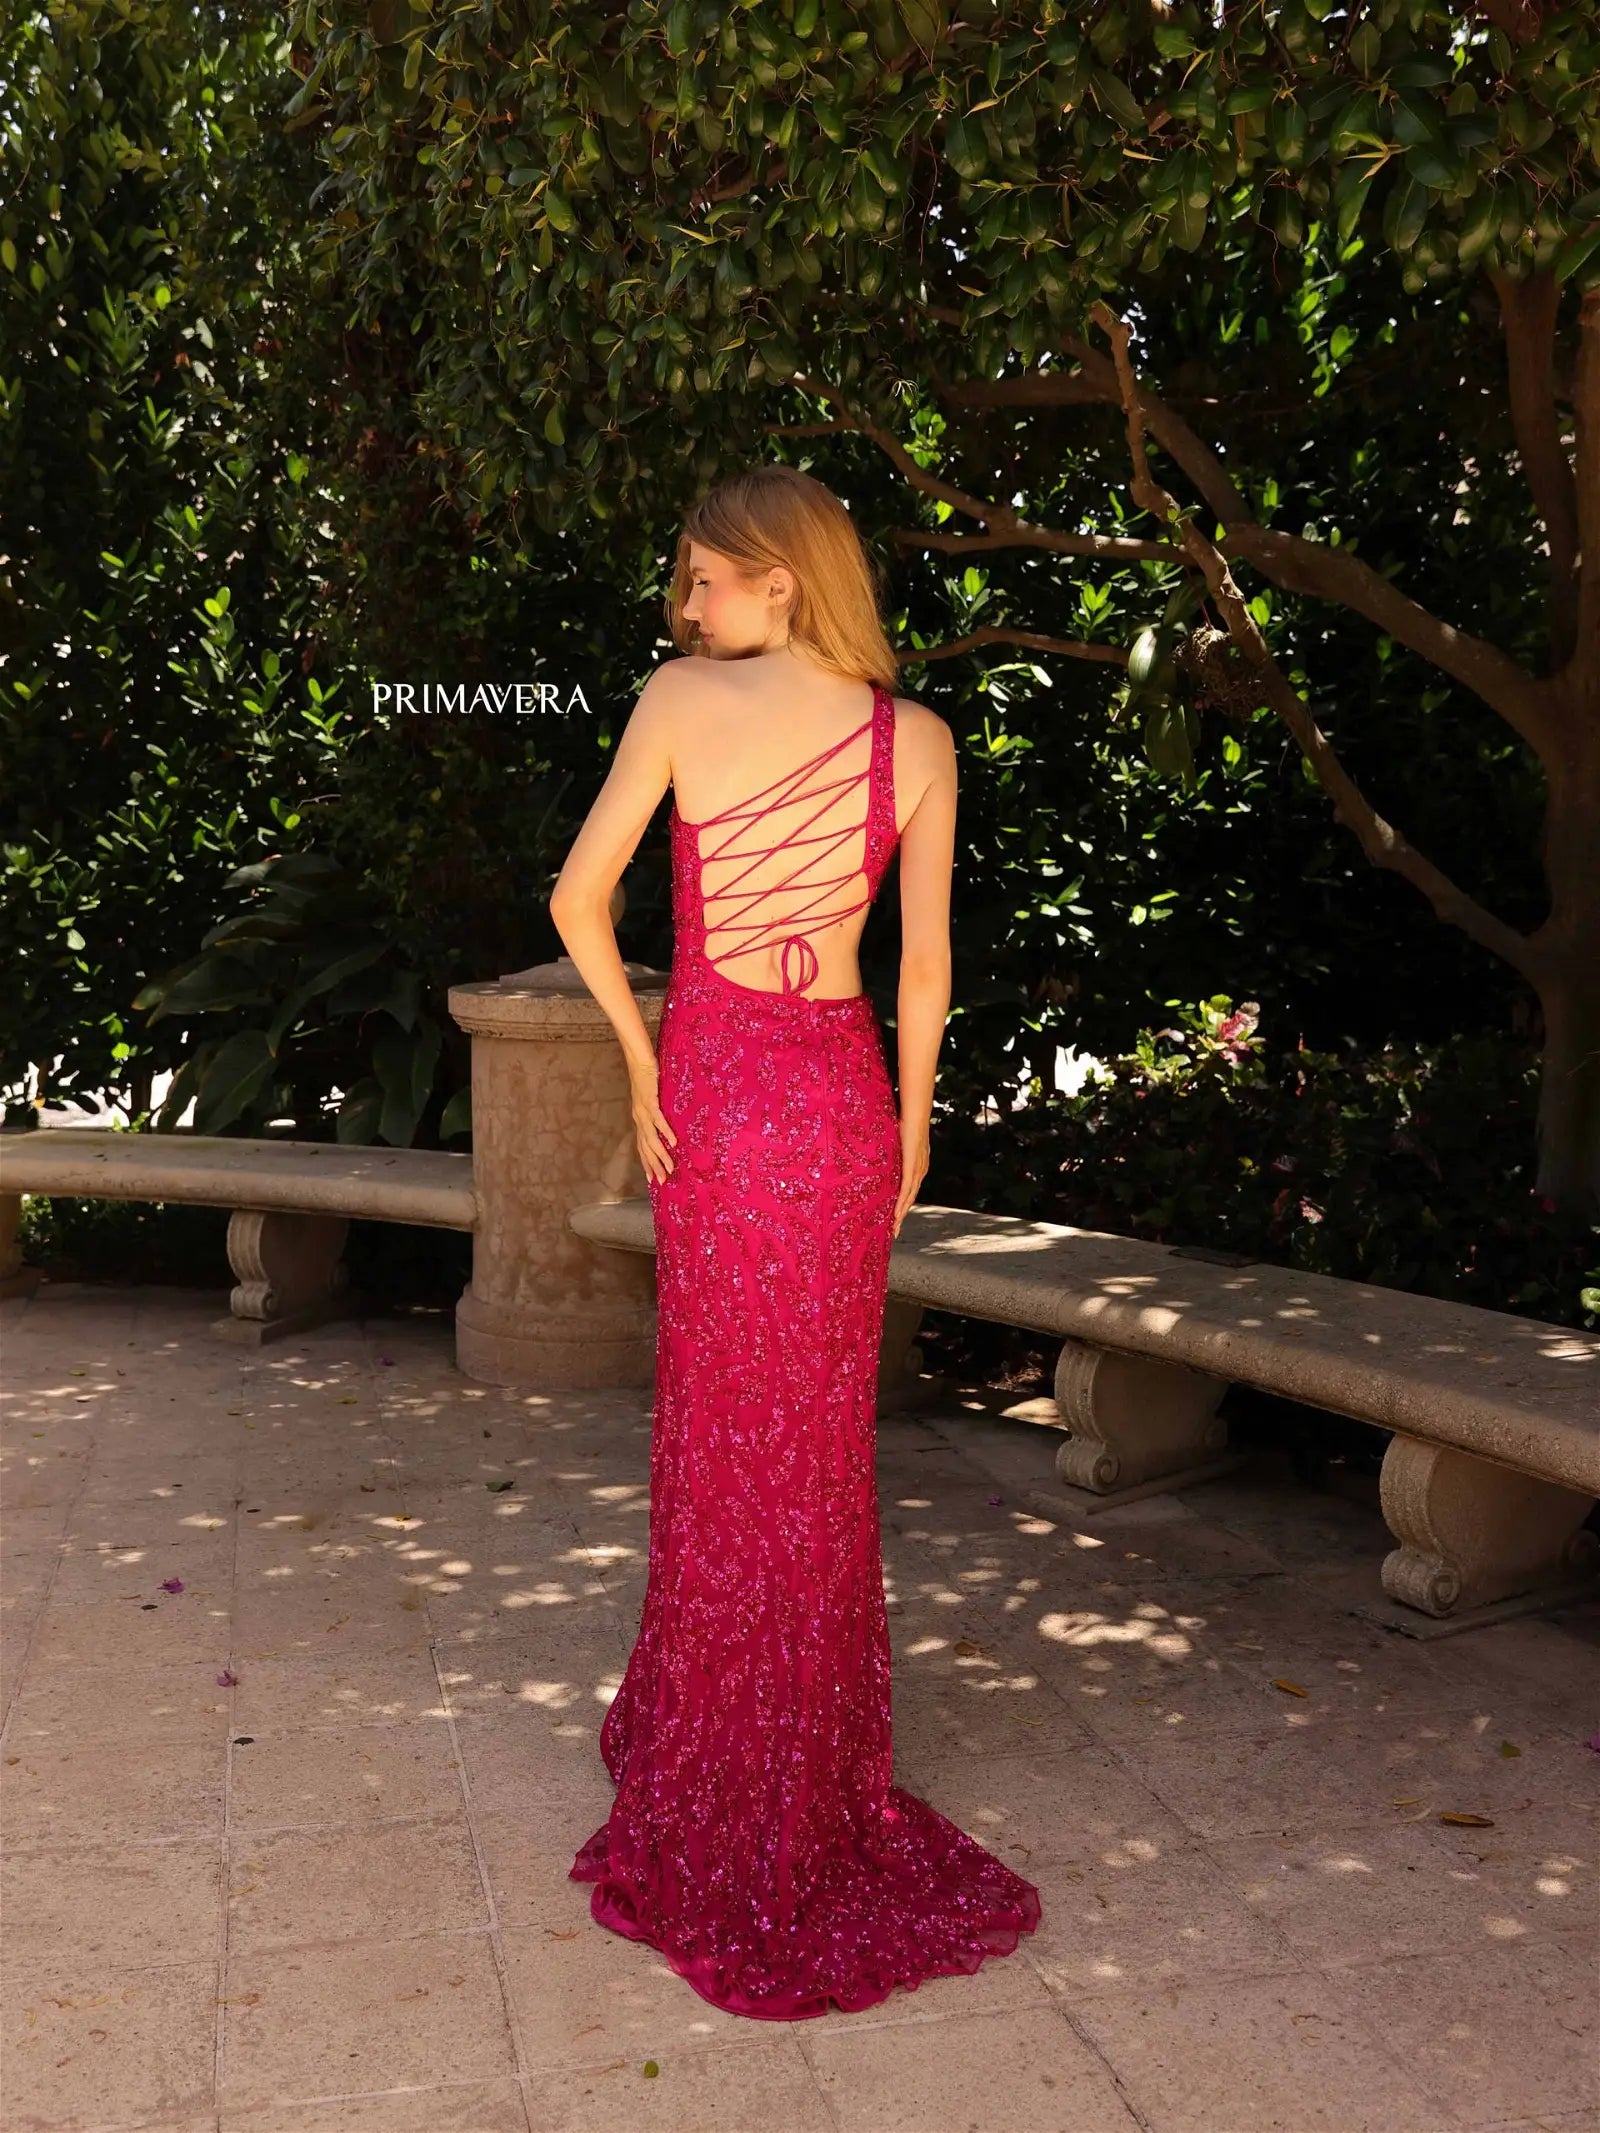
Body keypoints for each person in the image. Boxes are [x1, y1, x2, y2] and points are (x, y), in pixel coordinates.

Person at [548, 465, 1042, 2020]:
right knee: (818, 1453)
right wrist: (914, 1124)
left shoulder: (679, 701)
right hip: (839, 1109)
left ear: (782, 576)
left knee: (718, 1436)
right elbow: (925, 969)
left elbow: (576, 901)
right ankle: (812, 1782)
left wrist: (643, 1067)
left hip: (716, 1093)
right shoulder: (921, 740)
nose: (688, 605)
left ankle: (715, 1762)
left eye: (707, 577)